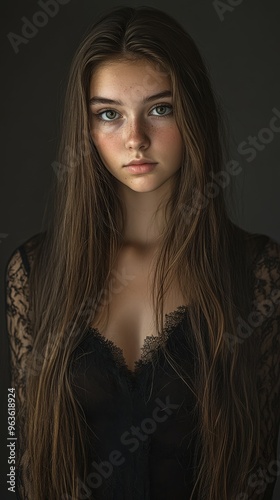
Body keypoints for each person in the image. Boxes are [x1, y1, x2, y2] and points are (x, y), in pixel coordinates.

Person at [5, 5, 280, 500]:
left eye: (159, 108)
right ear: (85, 129)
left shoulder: (259, 272)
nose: (135, 139)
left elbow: (259, 466)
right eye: (109, 114)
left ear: (192, 111)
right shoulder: (34, 272)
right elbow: (17, 457)